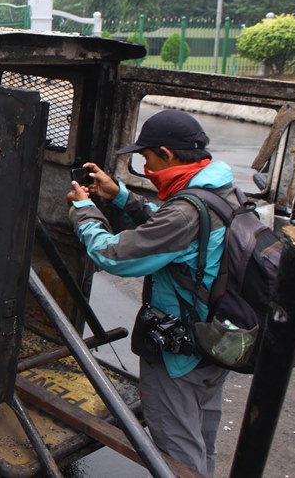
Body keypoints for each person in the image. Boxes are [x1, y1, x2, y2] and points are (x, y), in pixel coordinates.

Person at [65, 109, 233, 476]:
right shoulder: (220, 190)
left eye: (146, 157)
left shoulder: (186, 211)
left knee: (176, 455)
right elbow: (171, 229)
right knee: (201, 442)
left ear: (167, 155)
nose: (145, 164)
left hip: (179, 355)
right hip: (214, 343)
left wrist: (83, 209)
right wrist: (121, 196)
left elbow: (114, 255)